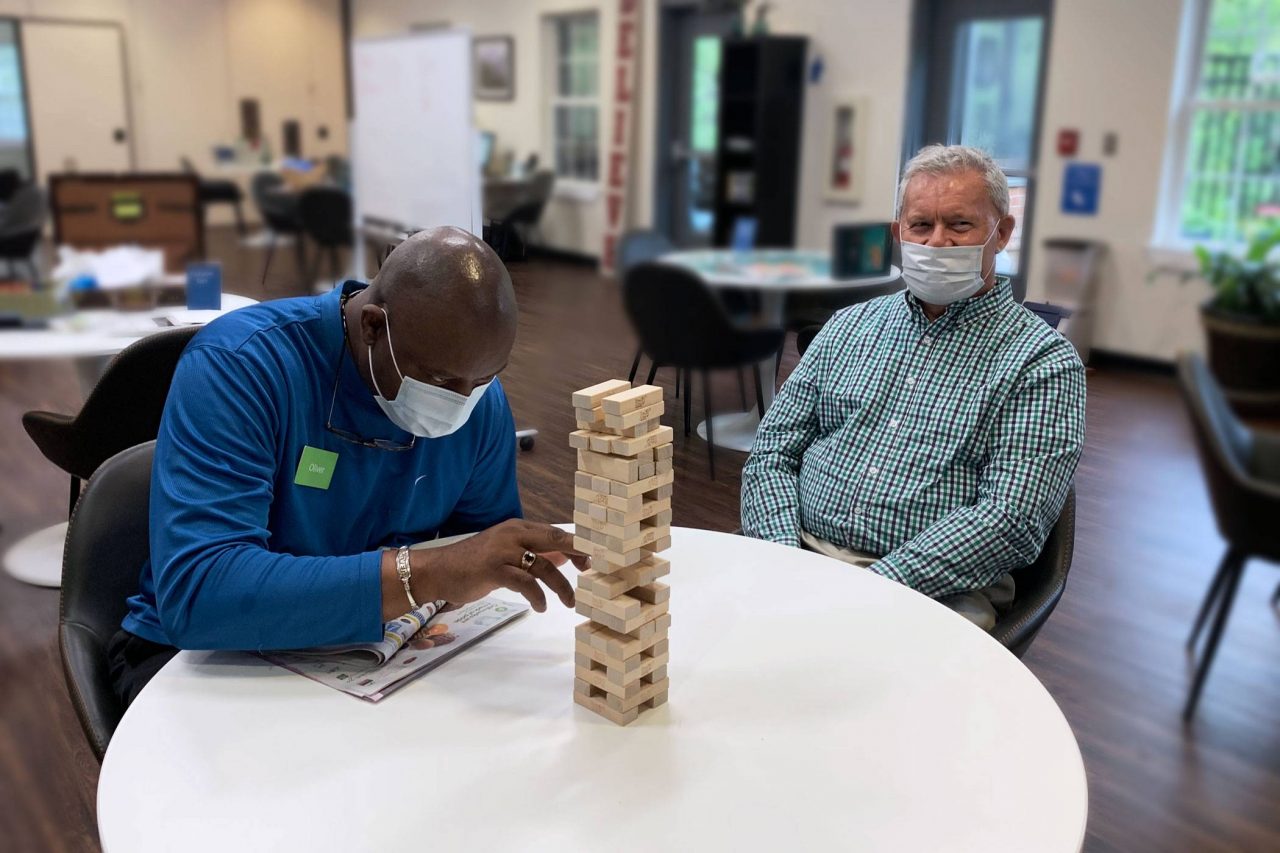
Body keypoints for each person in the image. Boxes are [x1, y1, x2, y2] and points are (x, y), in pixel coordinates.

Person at [109, 227, 588, 705]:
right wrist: (426, 573)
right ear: (372, 327)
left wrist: (491, 565)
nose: (460, 403)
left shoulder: (478, 404)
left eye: (484, 379)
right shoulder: (242, 364)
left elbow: (479, 549)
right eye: (439, 380)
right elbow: (200, 594)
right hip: (200, 658)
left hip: (371, 654)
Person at [740, 145, 1086, 630]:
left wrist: (868, 587)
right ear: (898, 232)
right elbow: (773, 451)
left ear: (1002, 233)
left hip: (933, 590)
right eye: (921, 225)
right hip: (795, 550)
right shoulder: (848, 326)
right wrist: (779, 556)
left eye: (960, 225)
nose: (937, 242)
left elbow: (1012, 519)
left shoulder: (1041, 363)